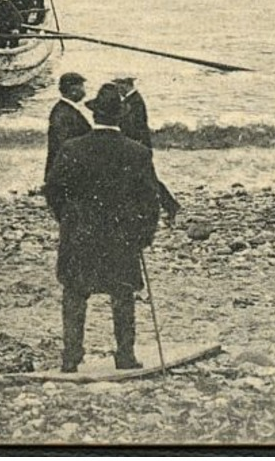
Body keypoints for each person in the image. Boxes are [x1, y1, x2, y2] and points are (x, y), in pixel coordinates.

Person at [43, 87, 161, 372]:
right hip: (121, 236)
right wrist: (143, 235)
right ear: (120, 117)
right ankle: (125, 356)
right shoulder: (137, 152)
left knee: (74, 293)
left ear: (94, 113)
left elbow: (52, 189)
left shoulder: (72, 149)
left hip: (79, 233)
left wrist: (67, 220)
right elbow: (150, 199)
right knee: (122, 294)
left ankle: (71, 357)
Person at [101, 79, 180, 224]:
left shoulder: (134, 102)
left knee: (147, 180)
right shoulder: (134, 100)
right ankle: (167, 207)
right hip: (138, 147)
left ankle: (170, 206)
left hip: (138, 148)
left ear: (125, 85)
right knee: (143, 180)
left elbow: (131, 128)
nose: (118, 90)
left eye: (118, 86)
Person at [45, 71, 94, 178]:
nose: (84, 91)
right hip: (65, 173)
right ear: (72, 90)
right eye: (81, 86)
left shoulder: (65, 109)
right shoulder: (63, 112)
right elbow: (61, 145)